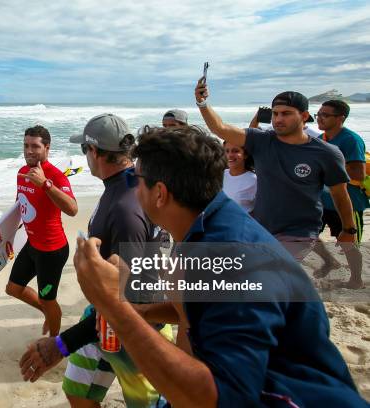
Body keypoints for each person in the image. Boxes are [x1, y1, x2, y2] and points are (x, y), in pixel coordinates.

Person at [73, 126, 367, 407]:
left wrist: (115, 305)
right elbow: (196, 304)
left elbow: (217, 399)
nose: (134, 191)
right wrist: (143, 311)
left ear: (160, 193)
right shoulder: (207, 225)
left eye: (138, 181)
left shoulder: (230, 261)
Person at [19, 114, 171, 408]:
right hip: (102, 316)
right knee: (77, 390)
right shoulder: (126, 184)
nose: (84, 158)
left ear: (95, 152)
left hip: (138, 328)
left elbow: (132, 298)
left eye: (84, 150)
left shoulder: (125, 208)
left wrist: (61, 344)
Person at [195, 80, 356, 260]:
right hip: (262, 229)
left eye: (286, 114)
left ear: (304, 116)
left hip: (299, 232)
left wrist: (349, 229)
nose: (278, 119)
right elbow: (221, 128)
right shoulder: (261, 141)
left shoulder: (327, 153)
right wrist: (202, 103)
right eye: (275, 114)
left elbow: (340, 194)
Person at [6, 125, 78, 336]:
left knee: (48, 299)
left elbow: (73, 209)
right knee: (13, 289)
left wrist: (45, 184)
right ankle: (51, 312)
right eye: (26, 145)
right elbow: (22, 205)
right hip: (32, 245)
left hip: (52, 251)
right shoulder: (22, 173)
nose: (29, 150)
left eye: (35, 146)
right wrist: (10, 238)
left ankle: (55, 343)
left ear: (47, 147)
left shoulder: (56, 177)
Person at [313, 100, 367, 289]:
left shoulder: (350, 139)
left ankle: (356, 280)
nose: (319, 118)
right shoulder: (322, 138)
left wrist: (330, 167)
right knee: (306, 234)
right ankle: (330, 261)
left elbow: (359, 174)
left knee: (348, 243)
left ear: (340, 118)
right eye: (318, 114)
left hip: (348, 203)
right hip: (322, 201)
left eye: (325, 115)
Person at [222, 141, 256, 212]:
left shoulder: (254, 180)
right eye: (227, 151)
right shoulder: (219, 175)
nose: (230, 155)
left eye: (235, 151)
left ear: (245, 155)